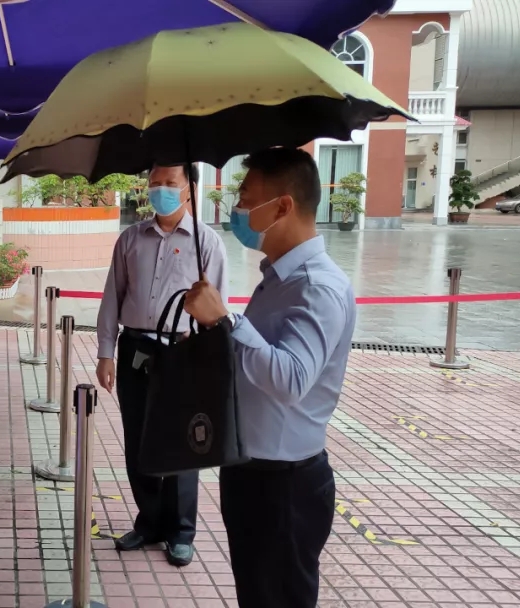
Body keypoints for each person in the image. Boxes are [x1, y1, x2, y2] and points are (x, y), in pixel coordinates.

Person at [183, 148, 356, 608]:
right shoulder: (278, 279)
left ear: (282, 207)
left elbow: (291, 379)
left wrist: (227, 321)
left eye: (245, 197)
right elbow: (255, 360)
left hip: (284, 487)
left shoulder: (317, 287)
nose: (237, 208)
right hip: (251, 471)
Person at [96, 163, 228, 566]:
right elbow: (113, 296)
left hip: (183, 351)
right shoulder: (130, 239)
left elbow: (218, 309)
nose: (161, 190)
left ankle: (181, 531)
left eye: (170, 183)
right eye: (155, 183)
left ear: (189, 190)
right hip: (136, 348)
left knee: (184, 443)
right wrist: (106, 353)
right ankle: (150, 522)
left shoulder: (207, 244)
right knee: (139, 440)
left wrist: (208, 358)